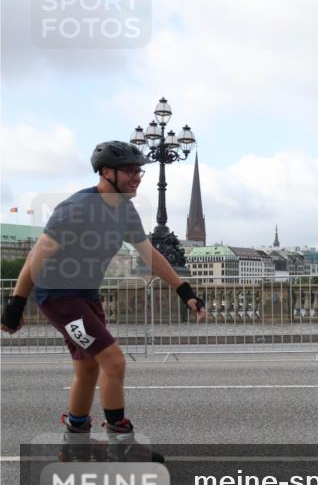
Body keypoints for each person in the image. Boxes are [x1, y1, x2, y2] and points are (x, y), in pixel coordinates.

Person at [1, 141, 207, 462]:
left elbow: (150, 254)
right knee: (113, 360)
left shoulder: (125, 210)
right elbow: (36, 257)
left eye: (139, 171)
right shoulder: (76, 208)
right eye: (130, 171)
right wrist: (15, 304)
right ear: (106, 172)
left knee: (88, 368)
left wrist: (185, 292)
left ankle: (75, 443)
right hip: (58, 295)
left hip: (87, 295)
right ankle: (121, 443)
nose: (137, 177)